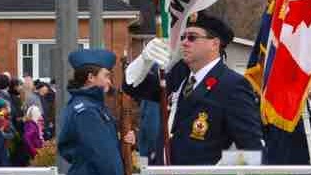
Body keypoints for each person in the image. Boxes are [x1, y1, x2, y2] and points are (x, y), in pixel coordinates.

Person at [124, 13, 263, 165]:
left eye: (192, 37)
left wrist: (218, 168)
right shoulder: (179, 77)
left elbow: (253, 150)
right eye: (183, 37)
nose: (184, 43)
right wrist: (144, 60)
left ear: (214, 44)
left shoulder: (232, 85)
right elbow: (132, 86)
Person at [57, 49, 136, 175]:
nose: (109, 81)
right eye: (106, 75)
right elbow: (103, 157)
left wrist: (125, 141)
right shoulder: (87, 111)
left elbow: (106, 147)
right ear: (90, 77)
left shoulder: (94, 106)